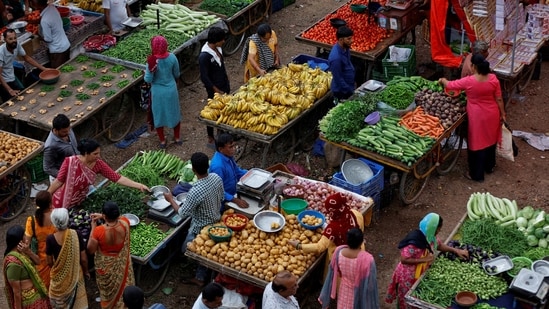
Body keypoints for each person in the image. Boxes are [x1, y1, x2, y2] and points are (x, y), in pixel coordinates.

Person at [439, 54, 506, 182]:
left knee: (477, 144)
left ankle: (476, 175)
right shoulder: (493, 79)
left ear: (474, 67)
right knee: (490, 141)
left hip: (477, 117)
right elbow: (499, 99)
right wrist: (503, 114)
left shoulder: (469, 81)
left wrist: (442, 80)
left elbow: (451, 85)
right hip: (492, 114)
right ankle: (489, 167)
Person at [164, 152, 224, 287]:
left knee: (186, 250)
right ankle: (202, 272)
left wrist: (171, 199)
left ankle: (200, 276)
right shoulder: (216, 178)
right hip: (217, 220)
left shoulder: (195, 191)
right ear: (207, 166)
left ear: (193, 170)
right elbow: (221, 197)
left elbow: (182, 213)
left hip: (200, 229)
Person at [386, 213, 469, 308]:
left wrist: (456, 250)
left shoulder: (430, 236)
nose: (439, 231)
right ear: (433, 227)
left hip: (420, 273)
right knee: (407, 300)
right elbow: (404, 259)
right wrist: (425, 259)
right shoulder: (415, 240)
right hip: (408, 276)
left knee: (417, 298)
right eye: (438, 229)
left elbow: (439, 245)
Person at [48, 138, 149, 209]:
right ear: (86, 153)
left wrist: (138, 185)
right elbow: (58, 181)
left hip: (79, 200)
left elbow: (116, 178)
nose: (99, 156)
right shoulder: (70, 162)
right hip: (61, 199)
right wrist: (46, 196)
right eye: (95, 154)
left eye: (99, 153)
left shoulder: (98, 164)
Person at [288, 192, 364, 280]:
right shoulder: (355, 214)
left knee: (341, 282)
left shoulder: (333, 228)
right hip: (359, 250)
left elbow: (319, 247)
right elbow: (360, 229)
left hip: (342, 259)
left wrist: (298, 245)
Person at [88, 201, 135, 309]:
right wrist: (103, 216)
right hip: (121, 265)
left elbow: (91, 250)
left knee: (108, 291)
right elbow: (120, 219)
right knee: (123, 286)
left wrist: (93, 228)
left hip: (106, 268)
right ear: (117, 214)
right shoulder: (125, 223)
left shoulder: (98, 231)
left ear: (104, 216)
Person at [318, 228, 379, 309]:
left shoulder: (338, 252)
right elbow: (371, 284)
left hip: (344, 291)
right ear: (361, 242)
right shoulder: (368, 259)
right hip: (360, 294)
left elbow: (337, 271)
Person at [144, 35, 182, 149]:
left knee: (159, 115)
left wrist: (148, 72)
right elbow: (177, 74)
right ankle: (177, 138)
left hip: (158, 92)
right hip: (171, 90)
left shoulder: (151, 61)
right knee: (174, 112)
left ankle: (162, 140)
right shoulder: (172, 57)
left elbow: (148, 79)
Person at [46, 208, 88, 309]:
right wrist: (86, 271)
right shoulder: (76, 234)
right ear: (67, 220)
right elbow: (83, 259)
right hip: (76, 275)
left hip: (59, 279)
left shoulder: (50, 239)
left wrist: (61, 267)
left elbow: (49, 262)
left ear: (53, 222)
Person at [3, 225, 51, 309]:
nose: (27, 237)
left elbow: (38, 261)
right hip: (30, 303)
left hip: (36, 297)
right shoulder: (13, 264)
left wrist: (29, 251)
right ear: (20, 241)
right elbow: (16, 293)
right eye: (24, 235)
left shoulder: (23, 252)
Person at [199, 27, 230, 147]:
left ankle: (221, 133)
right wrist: (215, 89)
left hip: (223, 84)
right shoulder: (204, 56)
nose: (224, 41)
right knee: (212, 112)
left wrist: (226, 78)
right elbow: (204, 77)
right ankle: (210, 137)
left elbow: (221, 65)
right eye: (222, 39)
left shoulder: (218, 48)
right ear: (216, 40)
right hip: (214, 89)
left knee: (224, 109)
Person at [0, 29, 47, 102]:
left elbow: (27, 58)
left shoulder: (16, 45)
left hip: (11, 76)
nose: (13, 41)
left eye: (15, 38)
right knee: (9, 102)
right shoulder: (1, 52)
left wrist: (44, 69)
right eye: (10, 39)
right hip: (2, 82)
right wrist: (9, 90)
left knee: (22, 96)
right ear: (5, 40)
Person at [23, 190, 56, 290]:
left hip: (41, 260)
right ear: (50, 203)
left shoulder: (32, 220)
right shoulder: (56, 216)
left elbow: (26, 243)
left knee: (45, 287)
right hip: (56, 255)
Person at [209, 133, 249, 209]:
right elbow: (217, 191)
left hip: (233, 194)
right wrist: (236, 200)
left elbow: (237, 171)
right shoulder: (218, 166)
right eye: (230, 147)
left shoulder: (228, 156)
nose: (234, 148)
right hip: (222, 203)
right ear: (221, 149)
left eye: (234, 145)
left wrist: (251, 174)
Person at [31, 0, 71, 68]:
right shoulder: (52, 8)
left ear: (35, 5)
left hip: (58, 51)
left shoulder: (45, 20)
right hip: (66, 45)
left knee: (58, 73)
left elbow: (48, 39)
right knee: (66, 69)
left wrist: (39, 36)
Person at [43, 114, 79, 183]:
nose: (68, 132)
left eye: (69, 129)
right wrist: (65, 177)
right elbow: (48, 168)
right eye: (64, 132)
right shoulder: (50, 146)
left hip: (76, 170)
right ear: (56, 130)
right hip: (62, 178)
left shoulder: (67, 129)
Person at [328, 26, 356, 101]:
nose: (352, 41)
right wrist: (349, 91)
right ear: (341, 39)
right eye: (348, 39)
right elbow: (338, 79)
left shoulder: (345, 48)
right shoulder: (336, 58)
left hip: (349, 85)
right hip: (342, 92)